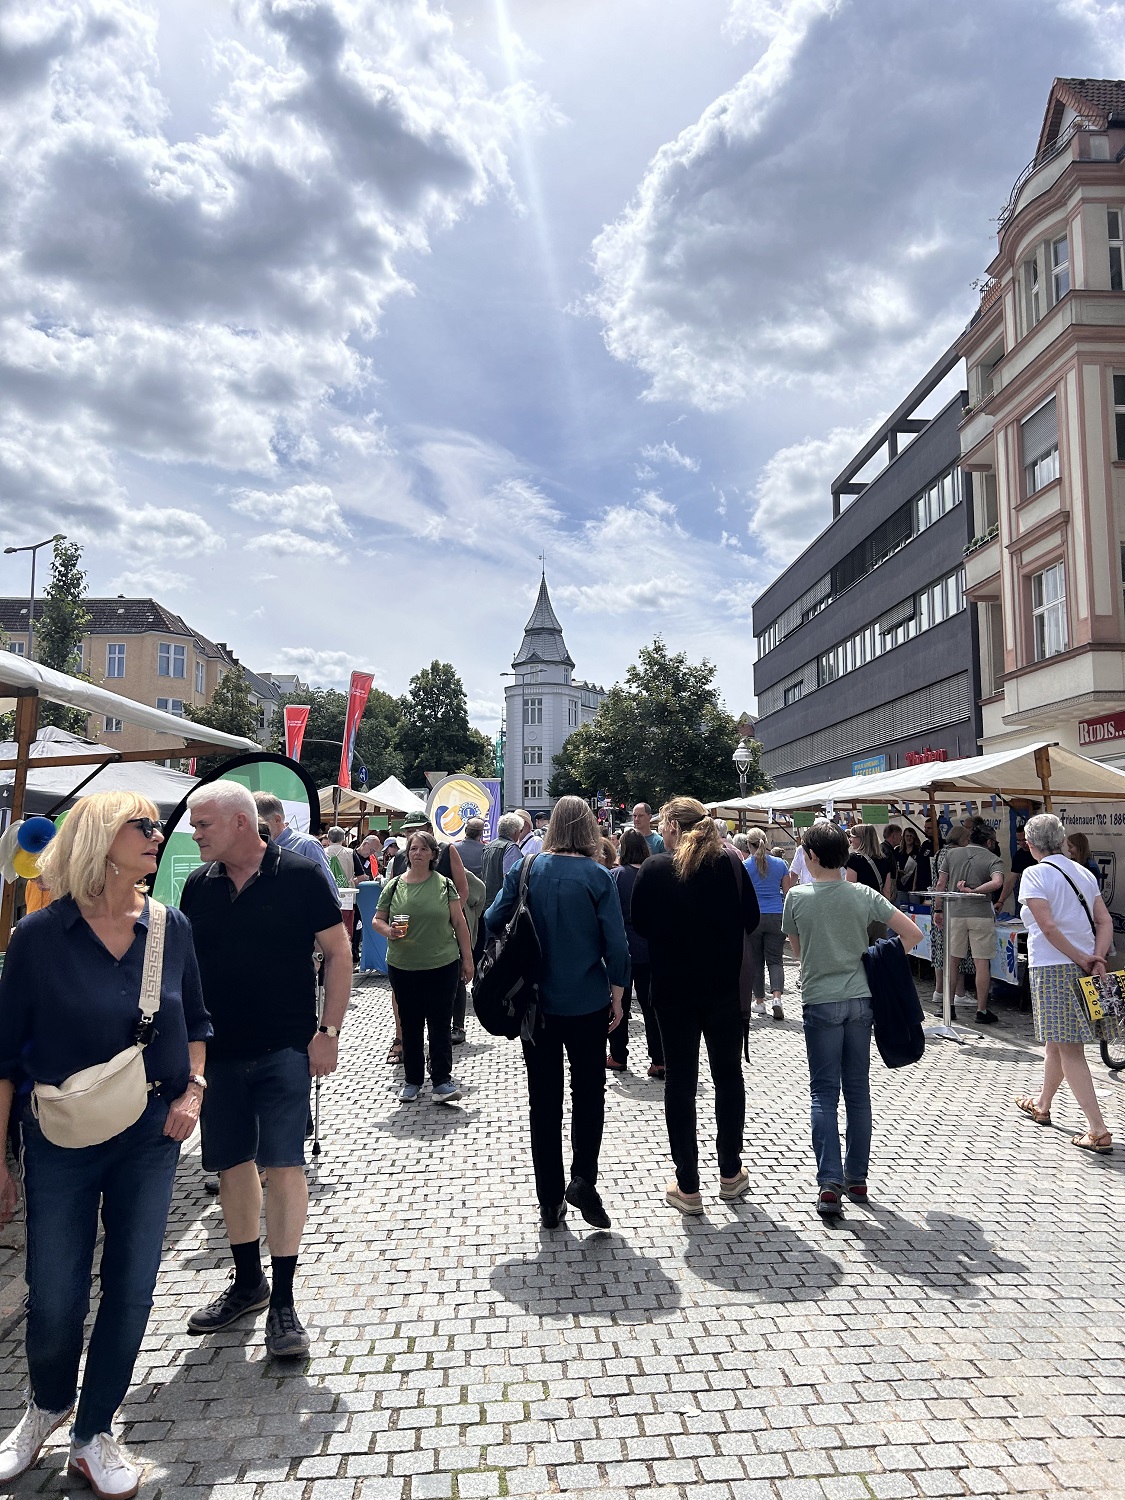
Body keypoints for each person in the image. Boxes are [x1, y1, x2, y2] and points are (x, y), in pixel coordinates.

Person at [0, 793, 211, 1494]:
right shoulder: (39, 935)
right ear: (99, 838)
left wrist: (193, 1094)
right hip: (59, 1134)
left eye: (158, 826)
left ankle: (94, 1431)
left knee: (131, 1287)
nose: (158, 836)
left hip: (150, 1135)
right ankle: (48, 1404)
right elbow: (4, 1056)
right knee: (55, 1291)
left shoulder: (169, 927)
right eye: (142, 826)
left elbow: (200, 1026)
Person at [180, 781, 351, 1359]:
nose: (194, 833)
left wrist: (327, 1033)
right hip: (219, 1052)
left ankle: (284, 1301)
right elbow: (184, 968)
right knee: (231, 1169)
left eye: (202, 824)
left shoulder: (300, 874)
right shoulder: (197, 886)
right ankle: (248, 1283)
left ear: (237, 823)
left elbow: (338, 952)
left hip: (285, 1048)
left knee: (283, 1165)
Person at [485, 796, 628, 1230]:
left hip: (536, 1005)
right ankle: (583, 1178)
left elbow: (492, 919)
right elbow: (617, 946)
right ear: (589, 829)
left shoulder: (527, 868)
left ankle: (550, 1200)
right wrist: (619, 996)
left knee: (543, 1101)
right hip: (587, 1002)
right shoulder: (599, 877)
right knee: (589, 1093)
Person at [782, 822, 923, 1216]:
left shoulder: (797, 898)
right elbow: (912, 934)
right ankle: (857, 1177)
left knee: (823, 1093)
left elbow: (797, 950)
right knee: (857, 1091)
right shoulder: (861, 893)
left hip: (820, 1001)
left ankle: (829, 1182)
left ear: (810, 857)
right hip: (860, 1000)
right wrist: (878, 956)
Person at [631, 797, 760, 1215]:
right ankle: (730, 1173)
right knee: (728, 1077)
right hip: (722, 990)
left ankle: (688, 1186)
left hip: (672, 991)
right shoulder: (730, 865)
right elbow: (752, 920)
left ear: (670, 826)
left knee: (680, 1083)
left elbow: (641, 924)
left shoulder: (654, 869)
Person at [1015, 813, 1117, 1154]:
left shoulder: (1034, 874)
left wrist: (1081, 957)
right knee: (1056, 1043)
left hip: (1054, 966)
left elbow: (1047, 928)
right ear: (1061, 840)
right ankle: (1042, 1104)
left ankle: (1098, 1128)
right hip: (1086, 965)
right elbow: (1103, 921)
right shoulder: (1083, 872)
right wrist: (1096, 957)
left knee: (1068, 1046)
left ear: (1031, 845)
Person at [373, 831, 474, 1103]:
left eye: (423, 849)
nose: (417, 853)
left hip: (441, 964)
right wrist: (389, 931)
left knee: (440, 1023)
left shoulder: (444, 885)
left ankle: (441, 1080)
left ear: (432, 855)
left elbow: (459, 923)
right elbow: (377, 920)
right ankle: (412, 1080)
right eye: (413, 849)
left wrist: (468, 959)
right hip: (404, 966)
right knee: (411, 1023)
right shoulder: (394, 886)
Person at [933, 825, 1003, 1024]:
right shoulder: (993, 859)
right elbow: (997, 882)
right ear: (989, 841)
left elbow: (941, 884)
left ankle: (949, 1006)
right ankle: (981, 1011)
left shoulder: (952, 854)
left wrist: (938, 909)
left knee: (953, 960)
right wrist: (977, 891)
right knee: (982, 963)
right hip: (981, 914)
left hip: (955, 913)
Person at [608, 830, 664, 1077]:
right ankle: (659, 1059)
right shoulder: (653, 873)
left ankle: (618, 1056)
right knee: (651, 1007)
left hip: (622, 949)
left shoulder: (616, 876)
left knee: (618, 1004)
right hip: (650, 948)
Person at [253, 792, 340, 900]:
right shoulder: (253, 848)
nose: (254, 829)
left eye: (259, 824)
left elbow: (330, 894)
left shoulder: (307, 845)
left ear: (277, 819)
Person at [744, 829, 792, 1020]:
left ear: (748, 844)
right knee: (775, 960)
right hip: (776, 914)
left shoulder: (745, 865)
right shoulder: (780, 863)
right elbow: (788, 892)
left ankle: (759, 1002)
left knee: (756, 961)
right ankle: (777, 999)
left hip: (754, 916)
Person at [481, 812, 525, 910]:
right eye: (520, 830)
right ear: (515, 832)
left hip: (486, 902)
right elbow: (510, 878)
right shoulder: (511, 847)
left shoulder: (488, 846)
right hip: (501, 905)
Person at [844, 823, 896, 905]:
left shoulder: (854, 859)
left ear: (861, 838)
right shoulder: (884, 860)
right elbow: (887, 891)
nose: (850, 839)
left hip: (861, 905)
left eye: (852, 836)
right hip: (877, 906)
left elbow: (851, 888)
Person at [999, 826, 1035, 911]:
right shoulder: (1019, 855)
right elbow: (1011, 880)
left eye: (1024, 840)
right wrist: (1001, 901)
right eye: (1019, 841)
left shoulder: (1041, 853)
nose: (1022, 844)